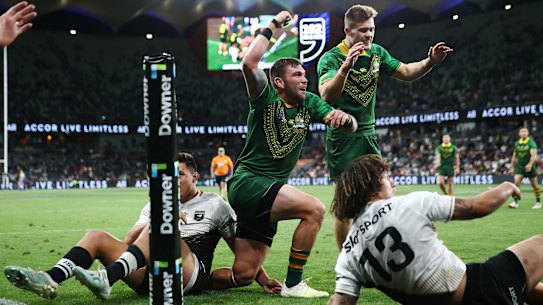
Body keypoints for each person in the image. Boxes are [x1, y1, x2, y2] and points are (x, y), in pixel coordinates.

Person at [209, 11, 357, 298]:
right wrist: (274, 25)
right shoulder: (265, 97)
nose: (305, 79)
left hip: (267, 193)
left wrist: (344, 119)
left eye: (305, 74)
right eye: (297, 75)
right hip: (249, 183)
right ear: (278, 82)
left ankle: (189, 281)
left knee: (244, 274)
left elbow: (347, 124)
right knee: (314, 209)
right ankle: (294, 284)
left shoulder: (310, 102)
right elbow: (248, 62)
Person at [4, 152, 277, 299]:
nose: (172, 180)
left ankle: (106, 278)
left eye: (179, 175)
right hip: (148, 274)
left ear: (195, 176)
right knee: (97, 236)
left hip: (188, 273)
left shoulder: (216, 204)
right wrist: (162, 212)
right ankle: (50, 278)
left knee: (163, 230)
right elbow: (131, 239)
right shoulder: (157, 202)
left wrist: (262, 279)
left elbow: (240, 250)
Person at [316, 4, 453, 251]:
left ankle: (382, 251)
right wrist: (345, 68)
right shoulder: (331, 58)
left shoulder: (377, 53)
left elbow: (407, 72)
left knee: (383, 196)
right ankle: (346, 260)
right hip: (343, 138)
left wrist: (430, 62)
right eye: (363, 30)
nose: (369, 35)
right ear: (348, 30)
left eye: (372, 30)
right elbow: (326, 95)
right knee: (345, 207)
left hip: (368, 135)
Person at [328, 154, 543, 305]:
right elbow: (479, 206)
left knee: (527, 288)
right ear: (371, 186)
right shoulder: (409, 204)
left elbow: (341, 301)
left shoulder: (348, 255)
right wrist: (506, 187)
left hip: (459, 295)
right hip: (484, 288)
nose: (393, 184)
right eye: (386, 179)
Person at [508, 127, 541, 209]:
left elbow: (534, 155)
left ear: (528, 133)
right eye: (522, 131)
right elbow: (514, 156)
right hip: (520, 167)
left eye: (525, 131)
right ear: (519, 133)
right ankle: (515, 202)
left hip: (530, 167)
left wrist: (530, 164)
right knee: (516, 182)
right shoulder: (517, 143)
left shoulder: (531, 142)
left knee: (535, 186)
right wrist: (512, 167)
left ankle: (538, 202)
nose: (523, 133)